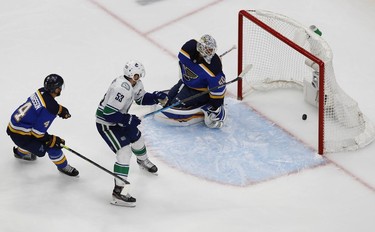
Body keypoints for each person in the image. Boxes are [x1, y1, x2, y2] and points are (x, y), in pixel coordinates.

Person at [95, 60, 168, 207]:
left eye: (140, 75)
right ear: (130, 75)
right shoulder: (120, 89)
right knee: (124, 153)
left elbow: (140, 99)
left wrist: (155, 97)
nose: (139, 77)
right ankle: (118, 193)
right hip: (107, 125)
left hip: (120, 119)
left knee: (137, 138)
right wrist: (128, 119)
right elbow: (108, 114)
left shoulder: (136, 84)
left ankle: (142, 161)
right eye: (137, 75)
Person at [6, 74, 79, 177]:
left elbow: (46, 103)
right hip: (22, 135)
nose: (60, 89)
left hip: (14, 126)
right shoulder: (50, 109)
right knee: (53, 146)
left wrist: (59, 109)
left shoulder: (40, 92)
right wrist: (53, 139)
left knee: (31, 141)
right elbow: (37, 133)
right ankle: (63, 166)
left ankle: (20, 152)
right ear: (56, 90)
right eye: (59, 87)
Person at [166, 34, 227, 128]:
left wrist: (215, 107)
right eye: (208, 49)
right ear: (201, 48)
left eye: (212, 50)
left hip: (200, 91)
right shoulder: (188, 49)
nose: (211, 53)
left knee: (174, 104)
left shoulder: (214, 68)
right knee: (169, 97)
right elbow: (182, 63)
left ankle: (210, 105)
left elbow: (218, 89)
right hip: (187, 82)